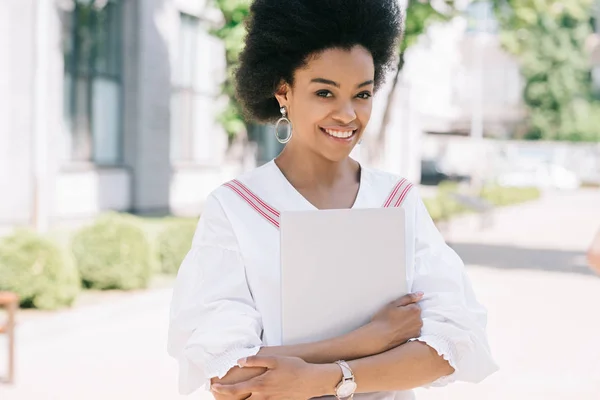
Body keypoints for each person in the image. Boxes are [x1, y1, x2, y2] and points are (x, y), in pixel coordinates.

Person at [167, 0, 498, 399]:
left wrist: (321, 378)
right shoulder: (236, 208)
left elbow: (451, 349)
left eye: (362, 94)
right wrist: (372, 338)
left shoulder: (397, 201)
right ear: (283, 91)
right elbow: (232, 379)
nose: (347, 114)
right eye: (325, 92)